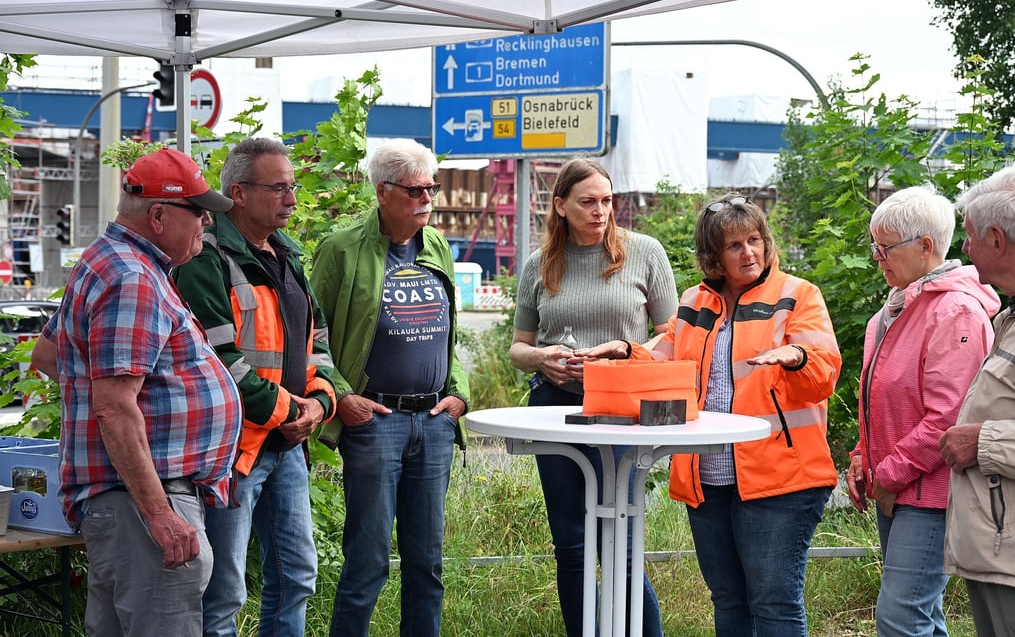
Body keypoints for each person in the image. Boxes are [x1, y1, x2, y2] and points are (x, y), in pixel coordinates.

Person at [588, 193, 841, 635]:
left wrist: (797, 357)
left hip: (782, 478)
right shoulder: (694, 302)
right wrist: (627, 351)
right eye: (735, 245)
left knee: (774, 604)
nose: (749, 252)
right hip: (707, 478)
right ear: (713, 256)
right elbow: (664, 359)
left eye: (755, 240)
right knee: (727, 600)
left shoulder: (797, 295)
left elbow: (824, 375)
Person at [30, 147, 243, 637]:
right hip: (143, 501)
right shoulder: (133, 277)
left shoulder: (109, 261)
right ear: (159, 215)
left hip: (127, 501)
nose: (207, 223)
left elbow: (48, 356)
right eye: (199, 212)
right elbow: (114, 405)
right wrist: (159, 514)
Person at [171, 138, 338, 637]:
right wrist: (293, 414)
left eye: (293, 187)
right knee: (224, 591)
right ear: (239, 193)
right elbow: (220, 362)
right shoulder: (206, 258)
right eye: (279, 188)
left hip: (284, 445)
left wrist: (321, 403)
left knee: (297, 577)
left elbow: (317, 344)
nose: (292, 198)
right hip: (233, 452)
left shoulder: (287, 255)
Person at [508, 157, 677, 637]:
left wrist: (625, 349)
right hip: (555, 406)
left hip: (623, 409)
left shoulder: (645, 252)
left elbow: (675, 335)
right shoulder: (539, 264)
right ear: (560, 205)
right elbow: (518, 347)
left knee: (620, 540)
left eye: (607, 200)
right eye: (588, 202)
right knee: (571, 543)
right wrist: (541, 358)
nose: (600, 211)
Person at [309, 138, 470, 637]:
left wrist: (459, 394)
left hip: (434, 422)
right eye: (414, 190)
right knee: (367, 561)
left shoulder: (436, 245)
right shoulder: (341, 250)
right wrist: (341, 396)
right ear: (382, 192)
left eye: (432, 189)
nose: (426, 199)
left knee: (427, 564)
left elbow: (451, 332)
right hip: (376, 422)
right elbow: (312, 335)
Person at [845, 185, 998, 636]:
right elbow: (882, 400)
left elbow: (948, 417)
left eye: (885, 248)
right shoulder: (894, 309)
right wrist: (862, 456)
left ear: (925, 246)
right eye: (874, 246)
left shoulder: (956, 313)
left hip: (931, 493)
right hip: (897, 486)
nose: (877, 258)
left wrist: (887, 473)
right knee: (920, 615)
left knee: (900, 615)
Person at [939, 164, 1015, 637]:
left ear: (996, 239)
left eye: (970, 236)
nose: (964, 249)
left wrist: (983, 442)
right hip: (999, 550)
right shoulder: (1012, 313)